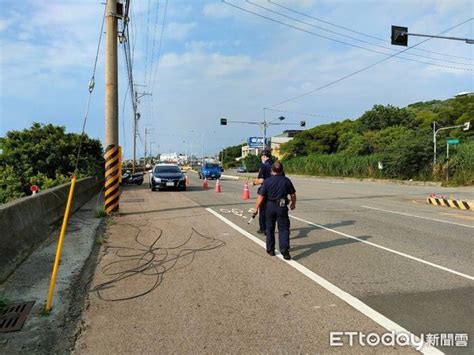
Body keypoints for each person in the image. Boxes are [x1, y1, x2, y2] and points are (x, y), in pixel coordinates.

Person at [253, 162, 296, 260]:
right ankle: (284, 249)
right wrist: (293, 203)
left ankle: (270, 250)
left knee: (270, 228)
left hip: (270, 206)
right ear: (282, 170)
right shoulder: (286, 181)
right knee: (284, 229)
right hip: (282, 207)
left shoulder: (267, 181)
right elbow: (293, 194)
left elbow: (261, 196)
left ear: (272, 171)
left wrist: (256, 208)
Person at [252, 150, 273, 234]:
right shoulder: (276, 164)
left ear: (264, 156)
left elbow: (261, 180)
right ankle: (270, 228)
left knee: (263, 210)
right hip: (275, 190)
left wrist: (253, 183)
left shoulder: (264, 165)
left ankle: (263, 228)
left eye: (261, 157)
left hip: (266, 190)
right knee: (272, 210)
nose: (261, 158)